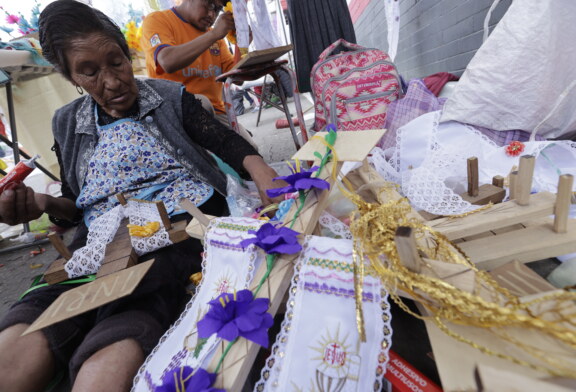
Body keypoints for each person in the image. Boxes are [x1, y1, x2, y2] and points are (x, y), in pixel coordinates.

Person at [0, 1, 284, 391]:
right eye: (90, 72)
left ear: (125, 53)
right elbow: (72, 202)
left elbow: (225, 140)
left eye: (115, 63)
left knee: (130, 311)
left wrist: (260, 170)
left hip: (175, 222)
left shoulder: (167, 96)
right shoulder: (67, 122)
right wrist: (44, 204)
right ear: (70, 77)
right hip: (98, 236)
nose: (113, 82)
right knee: (33, 323)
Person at [141, 0, 252, 136]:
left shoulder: (215, 37)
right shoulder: (157, 20)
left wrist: (242, 44)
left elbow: (236, 78)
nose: (212, 15)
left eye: (217, 9)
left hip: (216, 113)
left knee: (252, 150)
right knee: (201, 103)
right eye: (210, 5)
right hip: (177, 114)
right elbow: (167, 61)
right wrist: (213, 35)